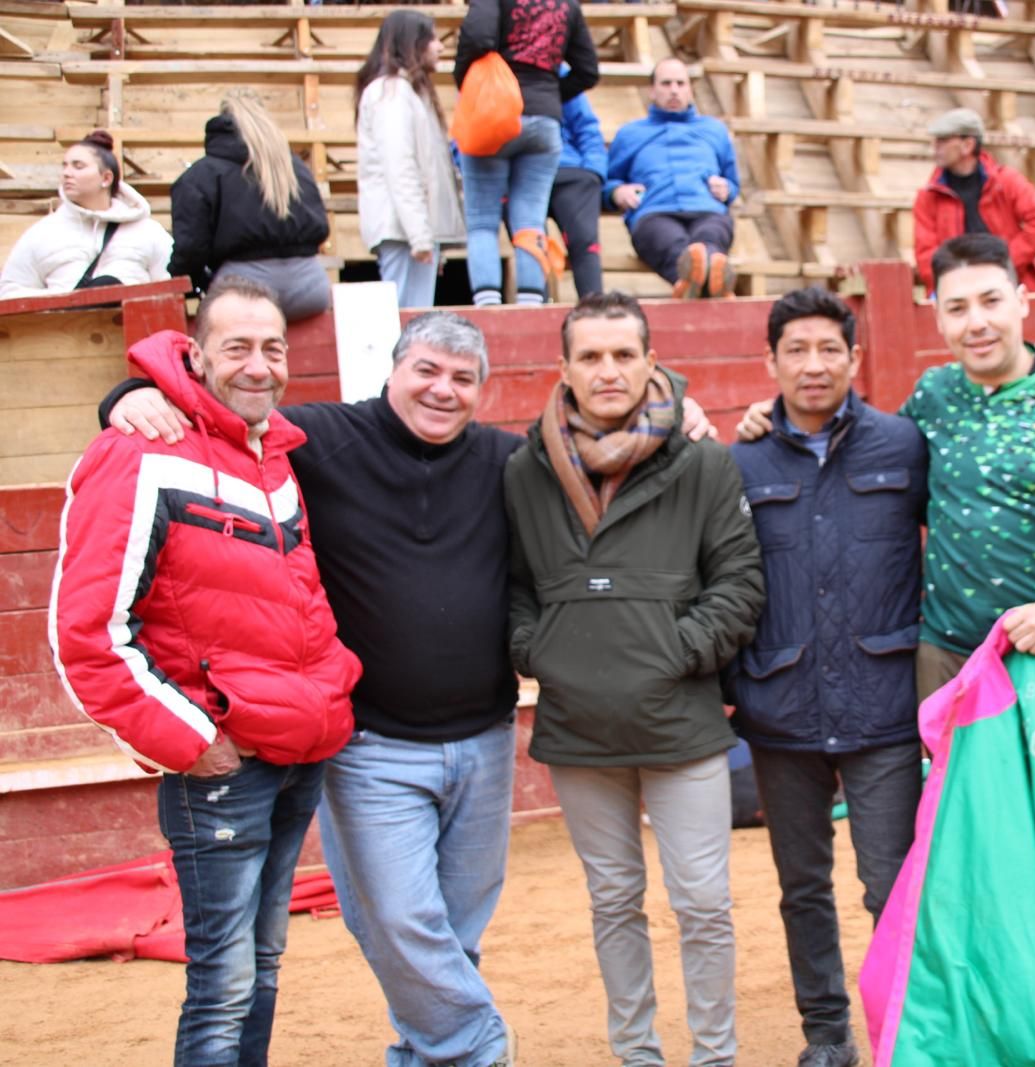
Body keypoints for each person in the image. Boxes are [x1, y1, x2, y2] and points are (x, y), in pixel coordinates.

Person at [104, 307, 721, 1067]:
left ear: (482, 391)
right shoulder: (321, 439)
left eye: (463, 378)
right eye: (425, 370)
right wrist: (128, 395)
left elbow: (612, 448)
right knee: (401, 920)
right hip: (371, 742)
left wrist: (678, 410)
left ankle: (428, 1055)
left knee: (455, 934)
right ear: (392, 371)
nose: (442, 389)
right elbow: (231, 407)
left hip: (486, 740)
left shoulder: (510, 459)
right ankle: (478, 1045)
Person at [49, 276, 362, 1065]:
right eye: (237, 348)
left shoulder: (277, 454)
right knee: (222, 984)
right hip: (221, 766)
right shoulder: (138, 450)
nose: (259, 366)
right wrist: (194, 743)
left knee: (258, 967)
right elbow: (88, 635)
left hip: (296, 756)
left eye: (274, 348)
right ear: (194, 354)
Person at [741, 234, 1035, 721]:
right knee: (952, 801)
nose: (976, 322)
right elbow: (859, 461)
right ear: (938, 318)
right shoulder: (933, 397)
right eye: (957, 308)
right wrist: (777, 421)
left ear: (1022, 302)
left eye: (991, 301)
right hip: (949, 659)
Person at [506, 292, 765, 1067]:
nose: (608, 370)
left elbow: (740, 582)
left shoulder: (704, 462)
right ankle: (637, 1054)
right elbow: (516, 586)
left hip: (681, 719)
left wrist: (674, 650)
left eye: (624, 354)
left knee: (703, 903)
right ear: (564, 369)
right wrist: (540, 649)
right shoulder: (526, 469)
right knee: (614, 900)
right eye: (590, 356)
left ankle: (714, 1055)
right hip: (581, 726)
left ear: (652, 362)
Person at [727, 289, 928, 1067]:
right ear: (771, 362)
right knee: (801, 886)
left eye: (828, 349)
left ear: (854, 358)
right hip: (781, 708)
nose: (813, 365)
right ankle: (826, 1034)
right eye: (796, 351)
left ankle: (906, 1030)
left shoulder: (905, 445)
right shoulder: (737, 461)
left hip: (883, 703)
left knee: (892, 885)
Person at [455, 0, 598, 307]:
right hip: (545, 120)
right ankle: (531, 301)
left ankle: (488, 304)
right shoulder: (567, 5)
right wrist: (548, 95)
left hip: (493, 113)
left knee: (482, 221)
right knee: (530, 219)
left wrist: (465, 82)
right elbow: (588, 70)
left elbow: (478, 39)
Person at [168, 89, 331, 321]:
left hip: (242, 293)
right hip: (310, 290)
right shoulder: (294, 168)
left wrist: (192, 284)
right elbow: (320, 226)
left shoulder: (201, 175)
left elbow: (191, 250)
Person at [355, 9, 466, 308]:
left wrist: (428, 237)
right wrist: (420, 236)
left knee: (415, 321)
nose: (440, 46)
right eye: (431, 38)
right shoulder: (389, 94)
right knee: (404, 322)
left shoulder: (410, 94)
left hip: (412, 230)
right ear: (411, 43)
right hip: (401, 231)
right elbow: (399, 166)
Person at [606, 58, 741, 298]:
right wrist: (617, 192)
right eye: (666, 84)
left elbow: (733, 183)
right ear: (652, 91)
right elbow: (608, 182)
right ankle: (713, 286)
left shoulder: (714, 130)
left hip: (707, 209)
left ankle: (693, 284)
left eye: (681, 83)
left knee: (710, 238)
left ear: (690, 89)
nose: (674, 90)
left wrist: (726, 188)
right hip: (655, 212)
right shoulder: (630, 134)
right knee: (673, 244)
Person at [0, 130, 172, 298]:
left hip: (137, 324)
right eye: (65, 166)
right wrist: (65, 299)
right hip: (64, 326)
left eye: (78, 166)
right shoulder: (42, 232)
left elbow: (171, 289)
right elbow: (9, 292)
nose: (67, 173)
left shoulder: (148, 232)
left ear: (106, 178)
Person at [912, 108, 1035, 292]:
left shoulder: (1006, 181)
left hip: (1013, 287)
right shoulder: (928, 197)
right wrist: (958, 284)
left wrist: (1006, 262)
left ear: (967, 145)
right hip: (959, 292)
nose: (936, 147)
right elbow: (926, 257)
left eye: (943, 140)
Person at [553, 88, 609, 299]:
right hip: (517, 173)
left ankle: (595, 309)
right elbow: (464, 133)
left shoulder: (557, 69)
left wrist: (594, 171)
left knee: (584, 243)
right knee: (531, 245)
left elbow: (586, 127)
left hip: (571, 170)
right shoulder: (486, 70)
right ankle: (533, 309)